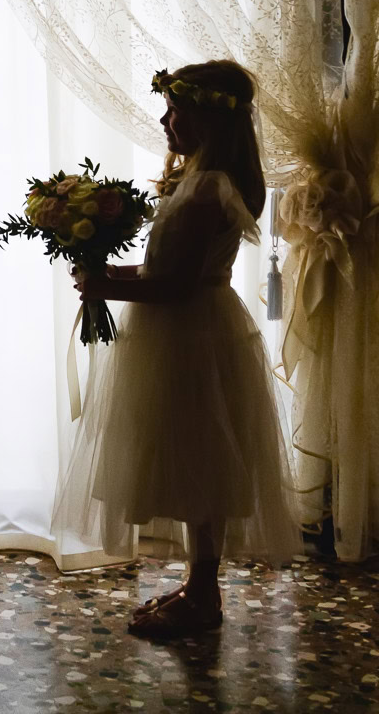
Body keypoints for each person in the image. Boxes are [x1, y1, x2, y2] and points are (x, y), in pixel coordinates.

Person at [55, 60, 301, 641]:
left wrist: (104, 288)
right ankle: (197, 584)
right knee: (195, 465)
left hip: (189, 336)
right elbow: (166, 267)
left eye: (177, 111)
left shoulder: (208, 190)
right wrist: (115, 270)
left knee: (199, 462)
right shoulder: (195, 182)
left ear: (212, 119)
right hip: (188, 330)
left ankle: (203, 593)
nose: (166, 121)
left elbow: (175, 286)